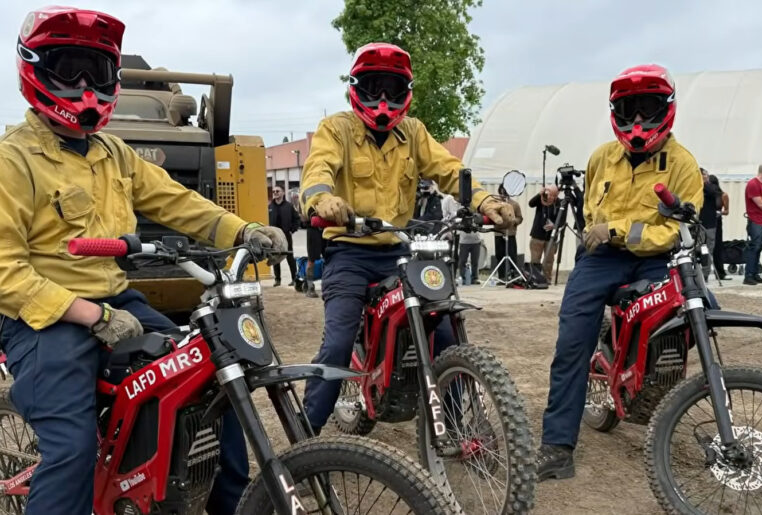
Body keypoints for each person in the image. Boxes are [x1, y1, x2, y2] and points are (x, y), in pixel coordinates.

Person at [0, 8, 288, 515]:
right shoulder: (12, 160)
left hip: (117, 301)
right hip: (44, 319)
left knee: (211, 383)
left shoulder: (114, 153)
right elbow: (5, 272)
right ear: (36, 69)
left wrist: (244, 230)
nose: (86, 86)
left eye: (98, 72)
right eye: (70, 69)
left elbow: (178, 202)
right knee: (70, 451)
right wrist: (91, 315)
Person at [298, 42, 515, 434]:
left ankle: (449, 430)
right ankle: (303, 439)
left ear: (406, 93)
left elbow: (450, 170)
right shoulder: (338, 129)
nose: (382, 100)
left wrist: (485, 201)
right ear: (356, 88)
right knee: (338, 344)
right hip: (349, 252)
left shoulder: (413, 132)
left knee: (447, 332)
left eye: (392, 89)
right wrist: (322, 199)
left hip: (399, 250)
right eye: (374, 87)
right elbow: (319, 168)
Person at [537, 64, 703, 481]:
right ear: (616, 112)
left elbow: (678, 230)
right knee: (571, 344)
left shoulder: (683, 164)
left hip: (655, 258)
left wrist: (616, 230)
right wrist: (602, 232)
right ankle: (557, 447)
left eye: (647, 109)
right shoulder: (601, 158)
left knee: (699, 314)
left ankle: (654, 387)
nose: (638, 121)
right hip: (601, 260)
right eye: (629, 111)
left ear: (666, 109)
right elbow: (593, 208)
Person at [268, 185, 301, 287]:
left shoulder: (289, 206)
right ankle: (277, 280)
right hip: (274, 236)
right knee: (275, 257)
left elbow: (297, 219)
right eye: (273, 192)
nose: (275, 193)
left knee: (289, 257)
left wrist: (292, 230)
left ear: (283, 193)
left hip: (286, 235)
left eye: (277, 191)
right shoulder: (270, 207)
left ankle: (294, 279)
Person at [529, 184, 559, 282]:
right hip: (537, 235)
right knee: (535, 259)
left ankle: (547, 279)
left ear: (556, 195)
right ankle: (535, 278)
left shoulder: (560, 203)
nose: (549, 196)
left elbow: (562, 219)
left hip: (551, 237)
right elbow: (531, 203)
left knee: (549, 260)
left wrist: (554, 225)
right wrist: (539, 194)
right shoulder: (541, 199)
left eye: (551, 194)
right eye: (548, 193)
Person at [494, 183, 524, 281]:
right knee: (499, 255)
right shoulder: (495, 203)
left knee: (512, 255)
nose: (503, 193)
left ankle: (513, 276)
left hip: (510, 233)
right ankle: (502, 277)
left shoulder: (514, 204)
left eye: (505, 191)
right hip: (499, 233)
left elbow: (520, 218)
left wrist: (515, 221)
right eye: (501, 191)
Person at [700, 168, 721, 281]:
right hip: (696, 224)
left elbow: (714, 192)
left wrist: (704, 181)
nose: (706, 176)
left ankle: (705, 274)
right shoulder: (693, 187)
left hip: (709, 224)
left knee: (708, 250)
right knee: (695, 250)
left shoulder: (711, 186)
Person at [711, 174, 730, 280]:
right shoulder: (704, 194)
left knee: (717, 247)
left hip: (717, 221)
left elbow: (727, 211)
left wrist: (720, 213)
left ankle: (720, 272)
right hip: (707, 220)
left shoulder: (723, 195)